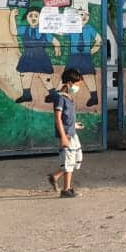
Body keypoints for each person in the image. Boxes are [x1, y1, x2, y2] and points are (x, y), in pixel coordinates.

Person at [46, 69, 85, 198]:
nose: (78, 87)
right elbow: (58, 118)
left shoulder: (68, 97)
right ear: (69, 83)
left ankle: (55, 176)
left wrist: (75, 125)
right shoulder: (60, 98)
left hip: (72, 134)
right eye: (77, 84)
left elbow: (66, 118)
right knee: (69, 161)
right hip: (67, 136)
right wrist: (63, 136)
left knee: (76, 159)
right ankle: (66, 189)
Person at [12, 7, 60, 104]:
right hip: (27, 56)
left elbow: (54, 40)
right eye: (30, 16)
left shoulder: (44, 30)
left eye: (36, 16)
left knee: (44, 77)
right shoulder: (24, 29)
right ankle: (26, 95)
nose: (33, 18)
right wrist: (11, 16)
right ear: (26, 18)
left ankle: (53, 94)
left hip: (41, 57)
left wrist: (57, 47)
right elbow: (13, 31)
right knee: (25, 75)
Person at [64, 8, 103, 107]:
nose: (84, 17)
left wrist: (92, 50)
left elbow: (99, 39)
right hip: (74, 56)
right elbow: (61, 32)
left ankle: (94, 97)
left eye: (87, 15)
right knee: (66, 76)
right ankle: (58, 94)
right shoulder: (72, 27)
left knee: (89, 76)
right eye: (81, 14)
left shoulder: (89, 28)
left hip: (85, 56)